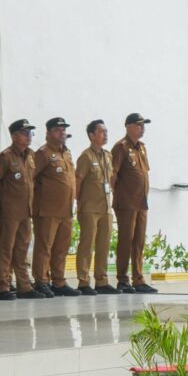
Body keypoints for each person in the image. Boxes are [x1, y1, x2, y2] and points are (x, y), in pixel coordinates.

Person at [0, 119, 42, 300]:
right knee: (5, 248)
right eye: (24, 132)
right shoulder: (5, 157)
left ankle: (24, 285)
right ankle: (2, 285)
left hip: (25, 211)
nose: (28, 136)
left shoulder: (31, 156)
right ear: (14, 136)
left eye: (30, 132)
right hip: (9, 211)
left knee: (22, 248)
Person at [32, 117, 79, 298]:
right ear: (49, 133)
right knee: (44, 247)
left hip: (65, 210)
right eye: (58, 130)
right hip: (47, 210)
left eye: (64, 130)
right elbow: (32, 179)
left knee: (61, 247)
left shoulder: (66, 153)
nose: (62, 133)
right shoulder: (43, 154)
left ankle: (58, 281)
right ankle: (41, 281)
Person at [111, 112, 157, 294]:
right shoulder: (121, 147)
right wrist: (119, 196)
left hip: (141, 202)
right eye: (138, 125)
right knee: (125, 240)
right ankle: (123, 279)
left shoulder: (142, 148)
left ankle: (138, 279)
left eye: (143, 125)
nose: (142, 128)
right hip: (126, 202)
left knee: (138, 242)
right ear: (128, 126)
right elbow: (113, 175)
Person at [75, 120, 117, 295]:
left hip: (105, 207)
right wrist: (77, 203)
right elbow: (77, 181)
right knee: (87, 244)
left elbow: (111, 180)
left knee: (103, 245)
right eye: (101, 132)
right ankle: (84, 282)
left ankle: (102, 280)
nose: (105, 134)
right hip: (89, 208)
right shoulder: (86, 156)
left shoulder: (108, 156)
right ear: (92, 135)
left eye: (106, 131)